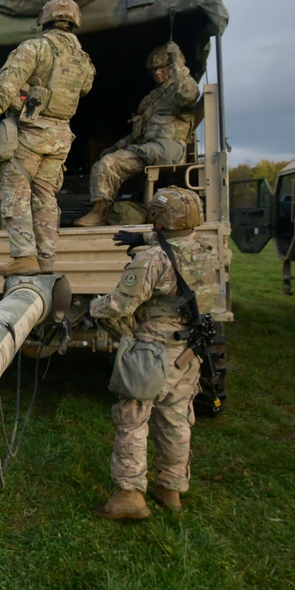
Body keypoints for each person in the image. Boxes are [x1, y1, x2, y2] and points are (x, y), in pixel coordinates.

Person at [90, 186, 217, 519]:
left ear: (158, 218)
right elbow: (177, 247)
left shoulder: (151, 260)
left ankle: (129, 496)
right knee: (176, 420)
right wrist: (146, 238)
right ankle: (170, 488)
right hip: (188, 353)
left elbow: (118, 305)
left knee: (132, 420)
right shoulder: (205, 249)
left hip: (151, 354)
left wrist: (93, 305)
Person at [0, 0, 95, 276]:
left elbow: (7, 85)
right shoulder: (83, 60)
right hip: (61, 136)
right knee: (45, 196)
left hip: (32, 133)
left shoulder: (35, 48)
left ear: (45, 20)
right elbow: (84, 89)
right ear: (74, 22)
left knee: (16, 190)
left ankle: (24, 256)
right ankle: (46, 259)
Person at [75, 42, 200, 227]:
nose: (158, 73)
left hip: (167, 150)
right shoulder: (153, 99)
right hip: (149, 149)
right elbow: (137, 134)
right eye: (154, 69)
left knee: (108, 165)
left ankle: (99, 212)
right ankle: (111, 209)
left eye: (163, 67)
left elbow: (189, 95)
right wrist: (116, 147)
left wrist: (177, 65)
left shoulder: (178, 91)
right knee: (106, 159)